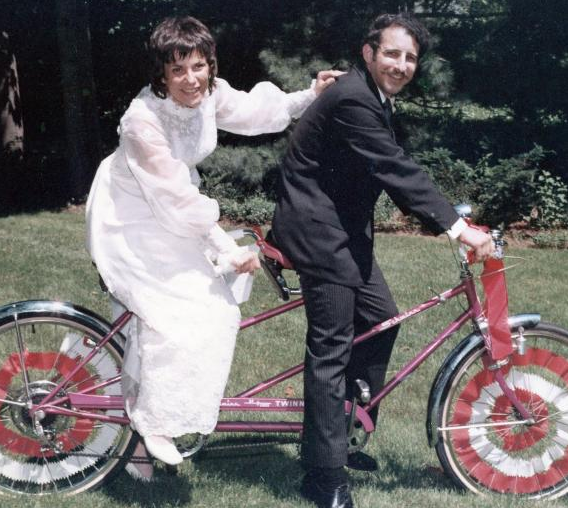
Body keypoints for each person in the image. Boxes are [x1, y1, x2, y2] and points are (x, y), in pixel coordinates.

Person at [86, 15, 340, 469]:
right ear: (161, 73)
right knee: (182, 313)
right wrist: (227, 249)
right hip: (131, 214)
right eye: (178, 69)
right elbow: (176, 198)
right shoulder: (142, 121)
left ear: (210, 65)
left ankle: (138, 443)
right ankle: (155, 423)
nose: (192, 79)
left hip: (174, 207)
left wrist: (311, 95)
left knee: (199, 314)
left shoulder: (210, 94)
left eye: (199, 66)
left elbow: (255, 112)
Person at [272, 12, 494, 508]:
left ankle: (343, 432)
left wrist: (443, 217)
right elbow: (394, 167)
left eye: (410, 57)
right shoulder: (354, 97)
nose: (401, 64)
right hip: (318, 233)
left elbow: (387, 169)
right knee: (330, 352)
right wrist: (457, 229)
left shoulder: (370, 96)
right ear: (368, 53)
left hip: (343, 230)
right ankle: (324, 475)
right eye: (392, 53)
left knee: (381, 320)